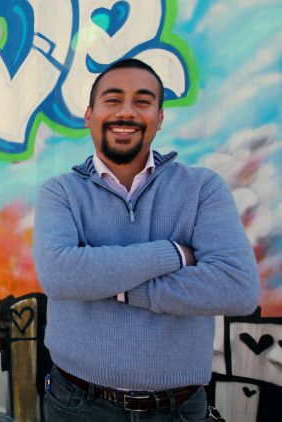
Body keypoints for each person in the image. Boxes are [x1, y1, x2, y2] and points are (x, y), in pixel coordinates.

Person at [32, 58, 260, 421]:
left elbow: (237, 288)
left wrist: (118, 288)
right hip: (78, 404)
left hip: (179, 409)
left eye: (142, 101)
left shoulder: (202, 188)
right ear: (89, 115)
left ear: (159, 117)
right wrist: (173, 253)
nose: (126, 112)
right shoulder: (61, 192)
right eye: (112, 100)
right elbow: (61, 275)